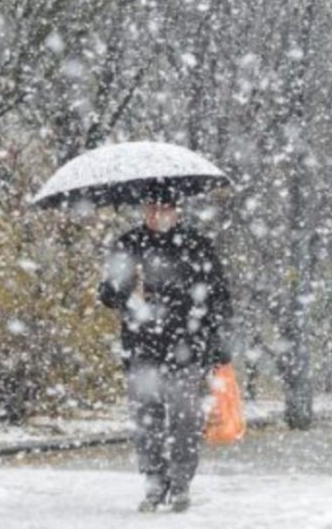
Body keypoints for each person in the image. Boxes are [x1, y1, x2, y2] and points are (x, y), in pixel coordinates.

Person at [98, 199, 233, 513]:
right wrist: (126, 291)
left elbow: (219, 297)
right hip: (142, 349)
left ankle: (181, 481)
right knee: (147, 419)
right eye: (151, 208)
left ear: (177, 210)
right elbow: (107, 294)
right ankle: (154, 481)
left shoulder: (197, 245)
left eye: (165, 208)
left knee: (186, 417)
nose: (157, 215)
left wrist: (216, 343)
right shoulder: (128, 244)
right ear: (144, 210)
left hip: (187, 348)